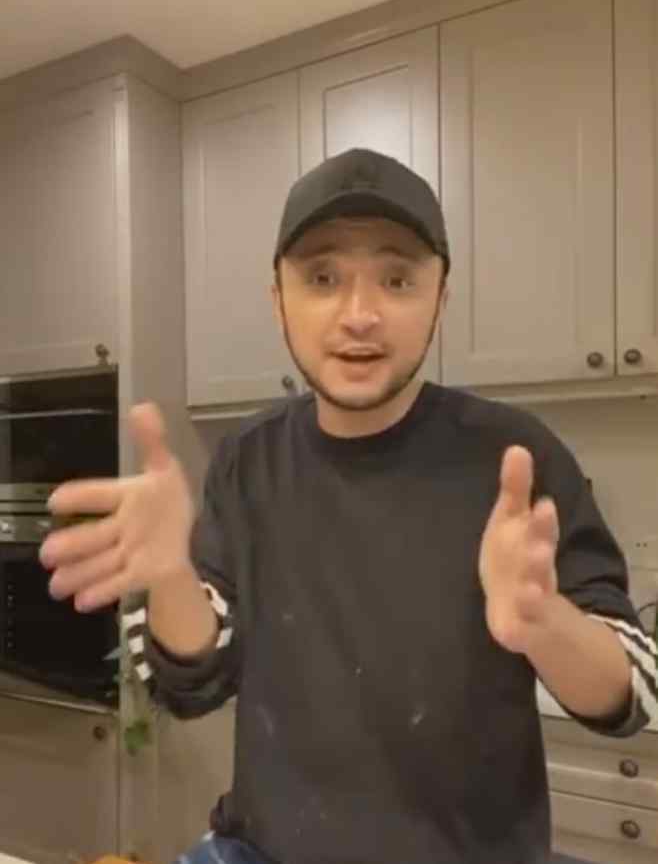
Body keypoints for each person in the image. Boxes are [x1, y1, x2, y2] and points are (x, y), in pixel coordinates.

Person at [40, 149, 657, 864]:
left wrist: (544, 621)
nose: (359, 316)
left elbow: (632, 693)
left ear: (441, 297)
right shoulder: (247, 460)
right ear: (278, 299)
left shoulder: (517, 457)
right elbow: (192, 684)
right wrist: (172, 576)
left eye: (397, 279)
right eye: (322, 277)